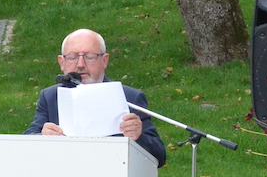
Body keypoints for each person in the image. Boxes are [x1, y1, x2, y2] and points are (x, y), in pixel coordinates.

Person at [23, 28, 167, 166]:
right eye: (72, 58)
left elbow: (159, 156)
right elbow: (25, 141)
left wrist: (139, 137)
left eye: (89, 57)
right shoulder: (50, 96)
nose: (80, 64)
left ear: (104, 61)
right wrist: (43, 136)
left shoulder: (129, 98)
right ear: (62, 62)